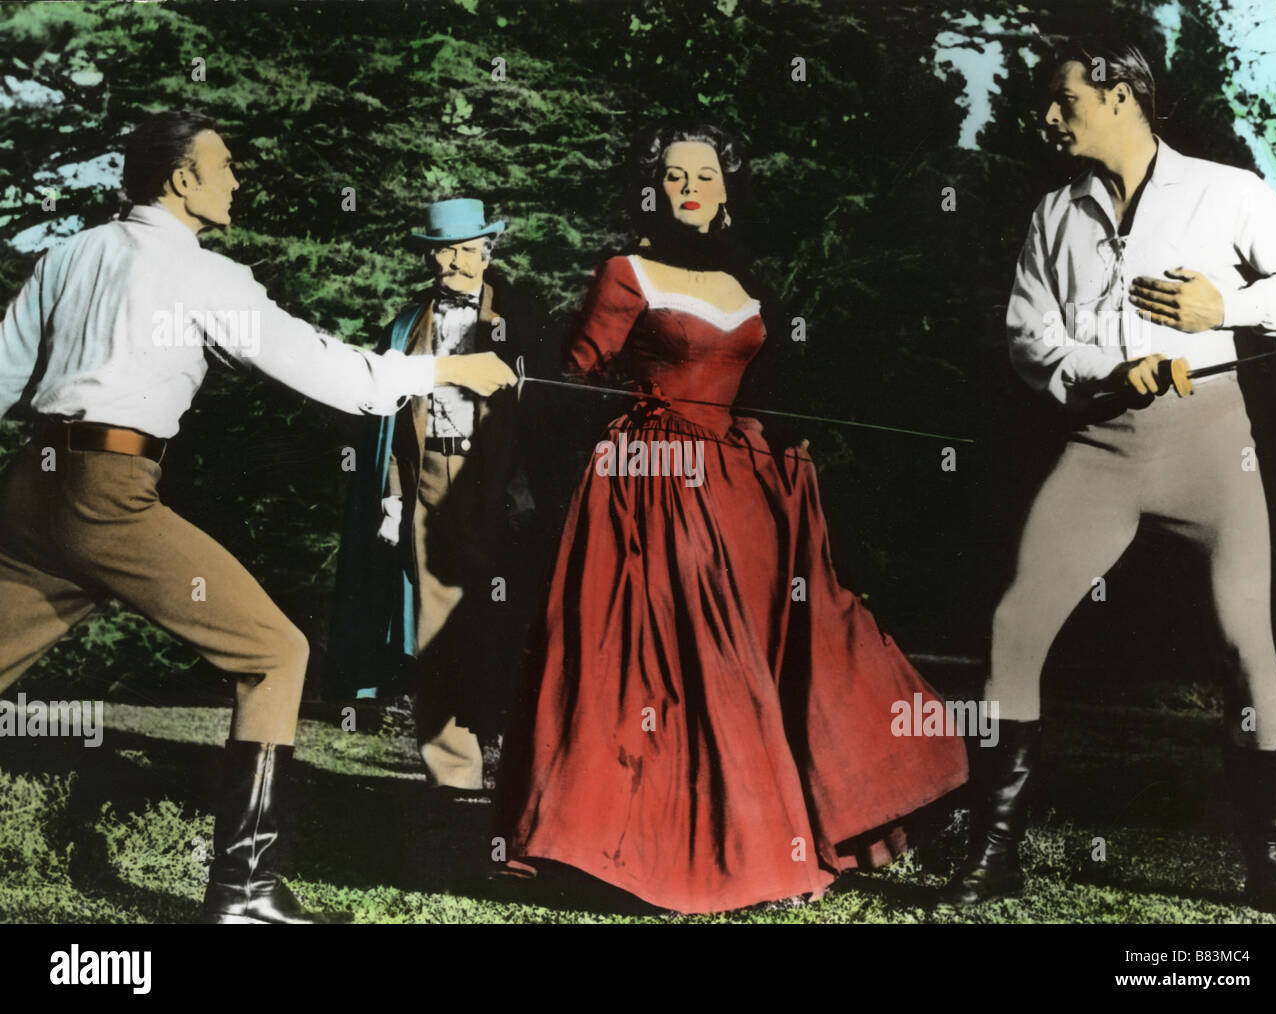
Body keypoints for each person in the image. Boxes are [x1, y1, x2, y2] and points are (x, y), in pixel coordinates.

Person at [0, 111, 517, 923]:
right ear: (181, 180)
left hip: (32, 489)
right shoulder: (205, 276)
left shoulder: (68, 253)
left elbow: (1, 379)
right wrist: (454, 367)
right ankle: (243, 896)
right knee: (276, 654)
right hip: (109, 492)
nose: (238, 179)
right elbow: (343, 378)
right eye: (225, 165)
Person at [494, 123, 969, 914]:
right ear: (654, 187)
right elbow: (570, 379)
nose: (690, 187)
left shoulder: (752, 290)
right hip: (650, 489)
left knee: (770, 651)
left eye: (705, 175)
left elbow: (764, 396)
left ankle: (801, 827)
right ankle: (719, 854)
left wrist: (795, 453)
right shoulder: (625, 271)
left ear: (726, 191)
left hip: (744, 497)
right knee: (696, 670)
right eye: (674, 174)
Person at [941, 42, 1276, 912]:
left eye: (1065, 100)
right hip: (1099, 447)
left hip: (1214, 445)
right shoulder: (1054, 213)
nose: (1048, 117)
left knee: (1247, 647)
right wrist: (1105, 367)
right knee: (1013, 627)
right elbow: (1029, 333)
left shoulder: (1229, 192)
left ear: (1123, 95)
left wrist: (1229, 309)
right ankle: (996, 853)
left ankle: (1272, 858)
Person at [327, 198, 536, 793]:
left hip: (499, 484)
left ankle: (526, 781)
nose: (457, 262)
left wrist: (526, 488)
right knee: (434, 629)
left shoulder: (520, 316)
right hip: (427, 480)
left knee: (509, 620)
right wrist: (393, 498)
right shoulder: (405, 324)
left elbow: (545, 414)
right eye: (445, 250)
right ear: (429, 254)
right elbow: (387, 420)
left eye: (470, 249)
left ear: (489, 251)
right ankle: (454, 783)